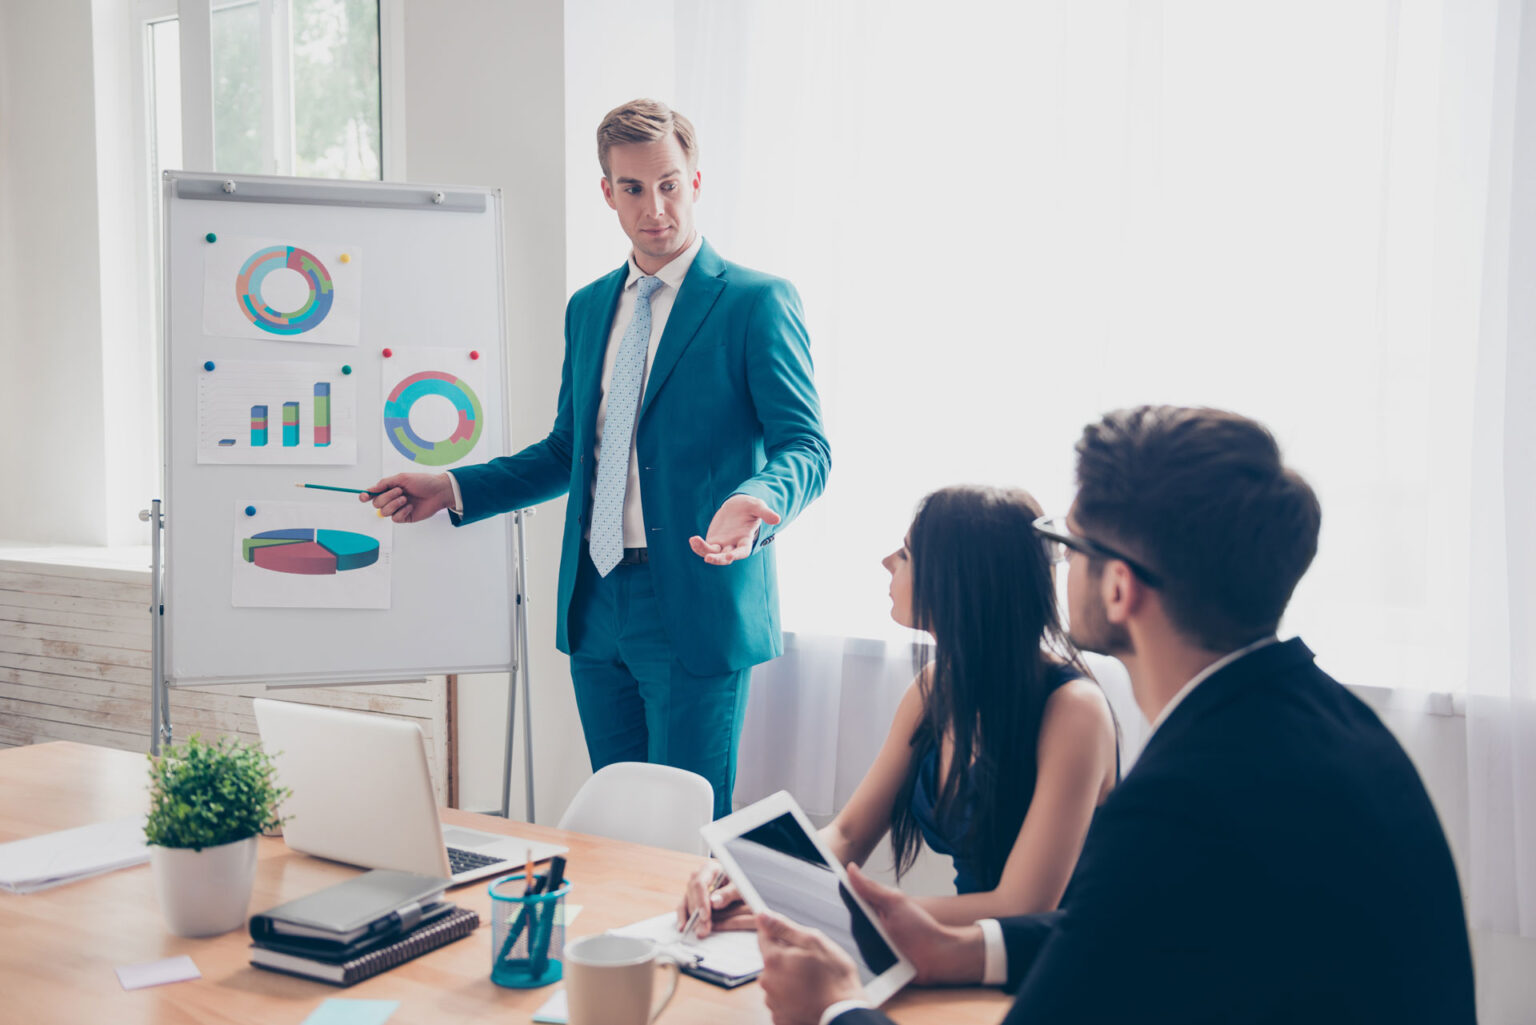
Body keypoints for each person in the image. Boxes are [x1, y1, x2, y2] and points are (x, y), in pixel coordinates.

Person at [753, 406, 1476, 1025]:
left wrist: (838, 1007)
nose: (1054, 570)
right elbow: (1139, 931)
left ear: (1121, 588)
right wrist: (969, 947)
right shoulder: (1332, 725)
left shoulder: (1183, 798)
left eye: (1067, 547)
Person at [364, 99, 830, 818]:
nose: (657, 207)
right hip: (597, 601)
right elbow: (568, 453)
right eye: (635, 188)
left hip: (696, 602)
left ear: (696, 181)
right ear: (607, 192)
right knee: (617, 833)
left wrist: (760, 501)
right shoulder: (589, 308)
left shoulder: (754, 302)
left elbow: (807, 444)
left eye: (670, 184)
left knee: (684, 838)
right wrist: (452, 486)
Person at [679, 485, 1117, 933]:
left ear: (960, 581)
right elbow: (848, 834)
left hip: (1051, 962)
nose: (887, 561)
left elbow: (1022, 906)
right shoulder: (934, 689)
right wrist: (751, 873)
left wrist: (824, 907)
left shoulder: (1074, 711)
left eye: (906, 553)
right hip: (966, 950)